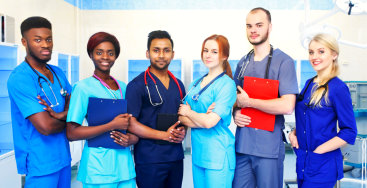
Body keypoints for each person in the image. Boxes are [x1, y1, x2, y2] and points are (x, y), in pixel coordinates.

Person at [232, 7, 299, 188]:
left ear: (269, 27)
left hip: (268, 148)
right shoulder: (242, 63)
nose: (253, 30)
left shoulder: (284, 62)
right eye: (249, 26)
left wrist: (250, 102)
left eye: (259, 25)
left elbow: (287, 105)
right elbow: (235, 99)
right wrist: (235, 112)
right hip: (243, 147)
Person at [66, 32, 138, 187]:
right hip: (98, 169)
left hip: (125, 167)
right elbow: (72, 133)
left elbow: (133, 124)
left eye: (110, 53)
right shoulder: (82, 88)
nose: (105, 57)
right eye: (99, 52)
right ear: (91, 55)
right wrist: (111, 125)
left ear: (115, 56)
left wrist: (133, 138)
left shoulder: (124, 87)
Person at [7, 16, 72, 188]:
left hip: (63, 158)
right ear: (24, 42)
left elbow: (76, 104)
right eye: (37, 40)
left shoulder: (58, 72)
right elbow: (46, 127)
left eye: (48, 39)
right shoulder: (20, 78)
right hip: (40, 163)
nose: (45, 44)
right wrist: (70, 118)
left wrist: (61, 115)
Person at [289, 33, 357, 188]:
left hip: (322, 166)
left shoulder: (338, 88)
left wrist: (319, 151)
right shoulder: (309, 84)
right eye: (311, 52)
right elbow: (307, 117)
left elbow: (349, 131)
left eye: (321, 51)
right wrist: (294, 132)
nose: (314, 56)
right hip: (304, 163)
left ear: (334, 54)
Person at [126, 30, 186, 188]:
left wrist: (183, 130)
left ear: (172, 54)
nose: (161, 55)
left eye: (166, 50)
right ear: (147, 53)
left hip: (175, 157)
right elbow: (131, 123)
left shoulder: (178, 85)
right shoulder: (136, 86)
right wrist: (164, 136)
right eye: (156, 50)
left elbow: (183, 116)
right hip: (149, 160)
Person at [178, 34, 236, 188]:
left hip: (218, 155)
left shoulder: (227, 85)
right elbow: (181, 118)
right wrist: (202, 117)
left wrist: (190, 113)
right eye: (206, 50)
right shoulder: (195, 84)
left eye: (214, 51)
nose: (208, 55)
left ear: (224, 56)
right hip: (199, 155)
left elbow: (209, 122)